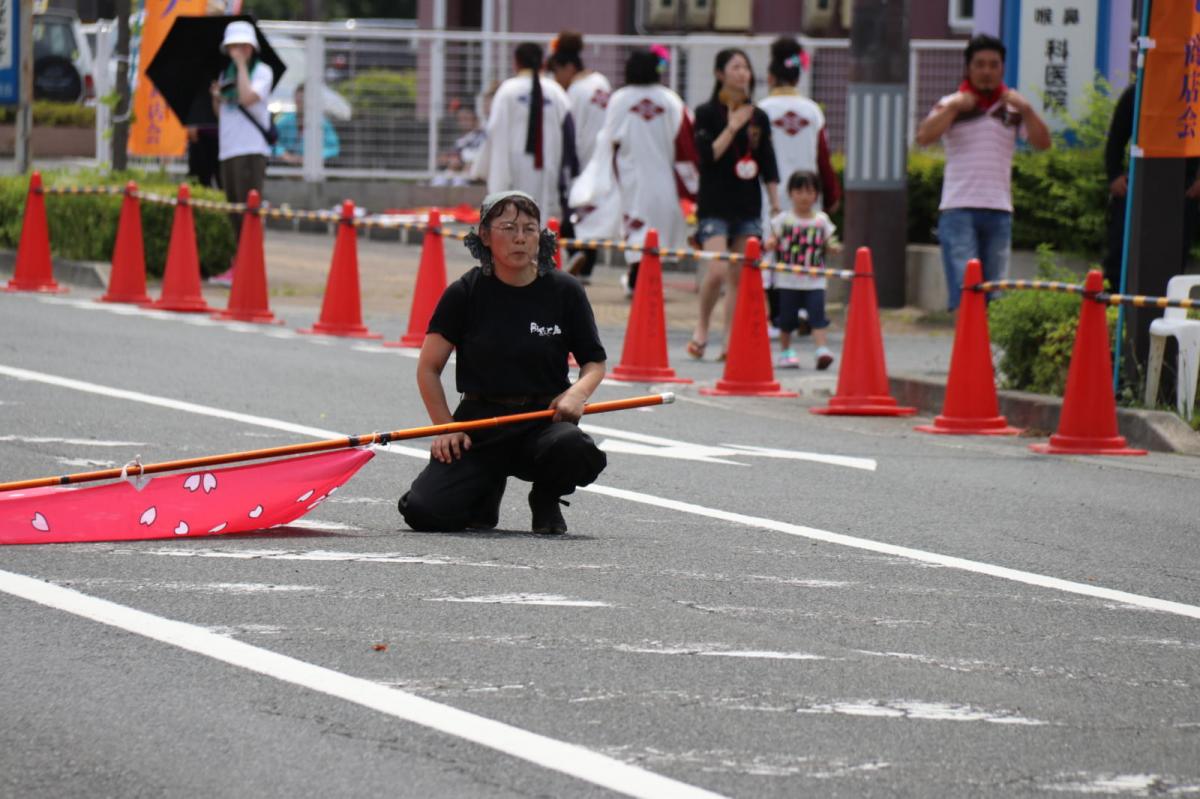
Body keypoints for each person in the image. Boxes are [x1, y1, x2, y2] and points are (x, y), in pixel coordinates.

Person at [398, 190, 608, 535]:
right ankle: (485, 488)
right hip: (480, 425)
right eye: (508, 228)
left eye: (529, 228)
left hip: (541, 420)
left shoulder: (565, 291)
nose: (521, 238)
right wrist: (445, 428)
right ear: (484, 235)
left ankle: (546, 496)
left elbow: (594, 363)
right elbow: (428, 368)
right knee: (425, 513)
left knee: (573, 447)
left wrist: (577, 393)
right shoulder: (465, 292)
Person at [915, 33, 1051, 312]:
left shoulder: (1013, 107)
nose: (987, 71)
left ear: (1002, 68)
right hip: (958, 209)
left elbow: (1042, 143)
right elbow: (924, 137)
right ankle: (967, 353)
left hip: (1000, 209)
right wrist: (954, 106)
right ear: (968, 67)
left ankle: (986, 354)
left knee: (994, 295)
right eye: (980, 64)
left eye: (993, 64)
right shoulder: (952, 103)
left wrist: (1025, 108)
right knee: (966, 293)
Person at [569, 46, 698, 296]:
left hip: (632, 176)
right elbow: (684, 139)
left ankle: (637, 276)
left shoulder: (622, 98)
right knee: (656, 230)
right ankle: (645, 278)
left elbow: (608, 138)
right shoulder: (670, 99)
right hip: (663, 177)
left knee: (635, 227)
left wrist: (598, 174)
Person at [688, 48, 780, 361]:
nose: (743, 73)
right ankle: (702, 326)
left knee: (739, 276)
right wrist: (732, 126)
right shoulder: (706, 112)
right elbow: (707, 155)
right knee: (716, 270)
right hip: (714, 203)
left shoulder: (760, 116)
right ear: (719, 74)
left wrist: (776, 203)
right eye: (736, 67)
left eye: (746, 68)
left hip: (747, 204)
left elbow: (767, 161)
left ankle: (729, 339)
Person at [759, 37, 841, 335]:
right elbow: (824, 157)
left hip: (772, 196)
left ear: (770, 76)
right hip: (808, 195)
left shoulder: (762, 109)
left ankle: (778, 316)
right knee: (806, 253)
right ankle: (807, 310)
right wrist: (830, 194)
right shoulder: (811, 111)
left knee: (773, 255)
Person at [1102, 84, 1200, 291]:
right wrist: (1114, 175)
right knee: (1121, 255)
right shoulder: (1138, 91)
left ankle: (1166, 309)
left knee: (1172, 256)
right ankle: (1117, 303)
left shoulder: (1193, 93)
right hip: (1137, 187)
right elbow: (1116, 139)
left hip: (1183, 189)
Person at [472, 43, 578, 223]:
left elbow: (494, 130)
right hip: (548, 162)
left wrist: (483, 168)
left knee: (513, 217)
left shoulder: (508, 90)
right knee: (541, 217)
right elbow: (568, 131)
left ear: (516, 63)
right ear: (543, 63)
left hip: (513, 165)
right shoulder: (554, 91)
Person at [547, 31, 611, 283]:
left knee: (572, 213)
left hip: (580, 163)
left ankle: (577, 258)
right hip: (602, 161)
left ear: (569, 67)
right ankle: (585, 265)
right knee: (593, 216)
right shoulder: (602, 82)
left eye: (557, 72)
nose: (556, 79)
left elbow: (567, 130)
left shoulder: (573, 91)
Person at [763, 171, 838, 371]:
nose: (804, 196)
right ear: (790, 193)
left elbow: (830, 240)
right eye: (799, 191)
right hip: (787, 280)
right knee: (786, 318)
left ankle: (821, 349)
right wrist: (770, 243)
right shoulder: (783, 220)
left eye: (810, 191)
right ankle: (786, 351)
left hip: (815, 280)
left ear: (816, 195)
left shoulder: (821, 220)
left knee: (817, 314)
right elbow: (773, 238)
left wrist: (832, 246)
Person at [211, 20, 274, 249]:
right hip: (228, 148)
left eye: (242, 46)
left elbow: (247, 98)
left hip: (250, 149)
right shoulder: (224, 75)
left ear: (251, 47)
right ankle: (237, 262)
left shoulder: (262, 72)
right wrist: (217, 96)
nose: (237, 51)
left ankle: (251, 262)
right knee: (232, 209)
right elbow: (221, 114)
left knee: (248, 208)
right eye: (233, 46)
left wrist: (240, 66)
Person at [273, 83, 341, 165]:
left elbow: (333, 148)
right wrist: (285, 155)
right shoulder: (285, 121)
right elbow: (272, 143)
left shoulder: (322, 122)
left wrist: (313, 157)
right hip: (287, 165)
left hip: (314, 166)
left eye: (303, 100)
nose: (301, 103)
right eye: (298, 100)